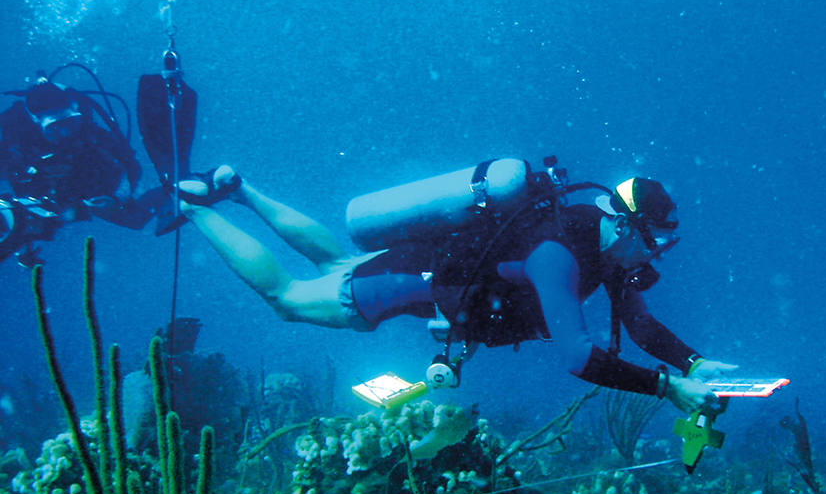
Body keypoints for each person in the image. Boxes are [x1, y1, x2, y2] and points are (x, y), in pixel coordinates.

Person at [177, 165, 733, 413]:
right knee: (289, 300)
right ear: (627, 225)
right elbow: (576, 356)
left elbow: (639, 325)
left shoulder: (604, 248)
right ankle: (194, 208)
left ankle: (239, 188)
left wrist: (693, 363)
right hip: (409, 283)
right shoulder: (558, 255)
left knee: (338, 258)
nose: (654, 256)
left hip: (424, 263)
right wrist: (667, 389)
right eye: (653, 242)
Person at [0, 74, 169, 266]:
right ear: (36, 123)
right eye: (54, 128)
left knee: (134, 218)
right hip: (36, 203)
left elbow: (130, 166)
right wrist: (25, 246)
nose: (65, 133)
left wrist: (115, 199)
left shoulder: (89, 133)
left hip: (82, 193)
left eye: (70, 123)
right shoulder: (15, 143)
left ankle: (178, 189)